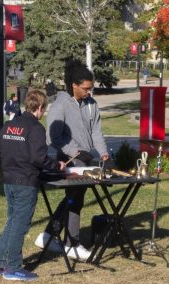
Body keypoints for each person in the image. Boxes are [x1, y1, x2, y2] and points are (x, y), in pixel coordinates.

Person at [34, 60, 109, 261]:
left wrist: (103, 153)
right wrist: (74, 152)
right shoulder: (60, 105)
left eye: (90, 88)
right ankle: (72, 244)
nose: (88, 92)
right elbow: (53, 137)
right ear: (74, 85)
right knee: (75, 201)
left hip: (85, 160)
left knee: (73, 199)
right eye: (85, 88)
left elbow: (96, 131)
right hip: (68, 159)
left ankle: (48, 235)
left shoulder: (91, 104)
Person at [0, 90, 65, 281]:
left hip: (9, 180)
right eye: (44, 109)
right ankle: (13, 267)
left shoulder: (10, 124)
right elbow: (38, 157)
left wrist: (12, 163)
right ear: (40, 107)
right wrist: (57, 166)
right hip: (25, 182)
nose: (43, 113)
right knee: (19, 225)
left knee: (12, 222)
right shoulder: (36, 128)